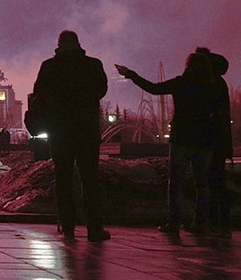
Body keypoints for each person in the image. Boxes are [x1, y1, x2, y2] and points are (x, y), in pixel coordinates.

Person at [117, 52, 218, 236]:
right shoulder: (211, 86)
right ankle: (200, 221)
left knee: (175, 183)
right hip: (205, 140)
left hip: (182, 138)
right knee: (203, 183)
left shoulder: (181, 82)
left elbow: (153, 89)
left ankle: (174, 223)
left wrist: (131, 74)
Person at [34, 30, 110, 241]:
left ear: (58, 45)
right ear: (78, 43)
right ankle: (94, 227)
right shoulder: (93, 65)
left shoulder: (49, 67)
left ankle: (68, 227)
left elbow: (39, 93)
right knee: (90, 179)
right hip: (86, 130)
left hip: (60, 132)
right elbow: (101, 90)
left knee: (63, 179)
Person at [198, 47, 232, 238]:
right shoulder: (219, 82)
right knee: (217, 181)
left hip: (211, 141)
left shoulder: (211, 84)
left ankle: (212, 219)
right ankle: (221, 220)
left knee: (211, 180)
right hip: (219, 140)